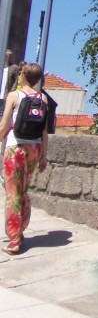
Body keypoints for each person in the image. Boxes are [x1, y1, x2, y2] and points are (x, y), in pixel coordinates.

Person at [0, 62, 48, 255]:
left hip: (16, 148)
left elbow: (4, 126)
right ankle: (21, 229)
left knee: (13, 193)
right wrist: (44, 156)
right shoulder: (42, 98)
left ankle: (14, 241)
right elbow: (44, 131)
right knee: (23, 190)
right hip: (34, 149)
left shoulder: (14, 96)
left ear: (23, 76)